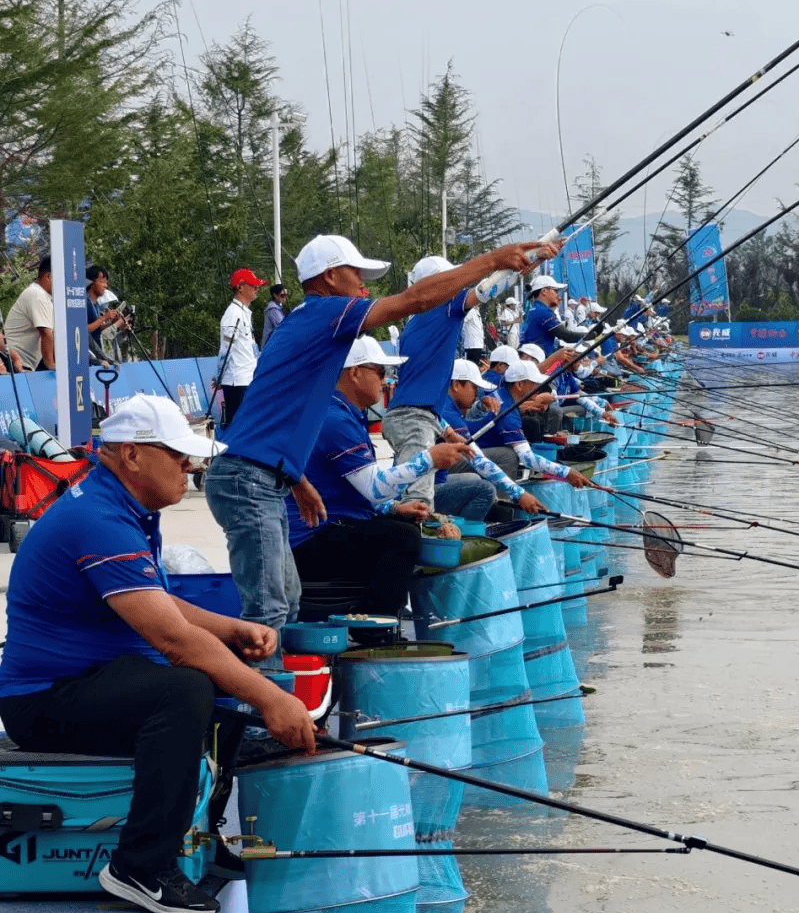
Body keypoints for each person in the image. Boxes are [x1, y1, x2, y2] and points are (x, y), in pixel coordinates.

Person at [0, 394, 314, 913]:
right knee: (189, 685)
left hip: (95, 678)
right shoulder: (99, 518)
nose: (190, 465)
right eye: (178, 454)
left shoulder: (122, 504)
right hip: (43, 701)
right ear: (131, 456)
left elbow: (155, 603)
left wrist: (232, 628)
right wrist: (272, 701)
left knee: (216, 680)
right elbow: (173, 640)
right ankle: (140, 868)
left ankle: (202, 833)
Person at [204, 233, 555, 646]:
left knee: (287, 602)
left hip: (262, 477)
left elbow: (267, 418)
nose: (363, 285)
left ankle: (297, 686)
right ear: (331, 277)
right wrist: (494, 257)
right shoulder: (326, 312)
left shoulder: (308, 327)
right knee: (269, 610)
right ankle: (275, 700)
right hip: (248, 481)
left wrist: (296, 479)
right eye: (356, 274)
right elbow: (415, 300)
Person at [288, 336, 465, 616]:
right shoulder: (335, 419)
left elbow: (359, 489)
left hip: (334, 525)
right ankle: (377, 626)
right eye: (381, 372)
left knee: (401, 523)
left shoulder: (344, 412)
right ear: (355, 373)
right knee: (402, 537)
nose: (386, 380)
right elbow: (374, 488)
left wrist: (395, 507)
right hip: (311, 538)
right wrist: (430, 459)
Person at [383, 252, 540, 509]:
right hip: (415, 419)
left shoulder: (417, 323)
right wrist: (523, 260)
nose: (456, 284)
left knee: (413, 494)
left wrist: (444, 429)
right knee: (418, 504)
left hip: (420, 416)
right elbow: (485, 289)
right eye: (449, 280)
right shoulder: (443, 309)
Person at [439, 358, 550, 515]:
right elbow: (477, 459)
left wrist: (481, 404)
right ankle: (487, 519)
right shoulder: (447, 413)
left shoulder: (447, 404)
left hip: (440, 470)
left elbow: (471, 415)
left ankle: (499, 504)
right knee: (481, 485)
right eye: (474, 387)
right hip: (430, 484)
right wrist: (519, 494)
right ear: (456, 385)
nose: (477, 393)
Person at [475, 358, 592, 489]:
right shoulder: (506, 411)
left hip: (481, 449)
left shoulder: (502, 396)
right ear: (519, 384)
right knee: (510, 456)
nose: (538, 388)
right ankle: (502, 499)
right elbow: (528, 459)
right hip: (473, 455)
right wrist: (567, 472)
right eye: (534, 384)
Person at [218, 269, 267, 426]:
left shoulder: (244, 312)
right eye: (253, 285)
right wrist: (219, 375)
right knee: (236, 425)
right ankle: (231, 451)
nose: (257, 288)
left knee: (246, 425)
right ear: (240, 287)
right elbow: (226, 350)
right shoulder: (233, 314)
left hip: (247, 378)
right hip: (236, 381)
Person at [519, 274, 590, 359]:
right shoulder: (543, 311)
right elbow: (567, 336)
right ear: (544, 291)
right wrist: (590, 335)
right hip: (536, 359)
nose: (558, 295)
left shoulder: (536, 308)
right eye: (555, 291)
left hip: (532, 356)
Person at [5, 256, 54, 371]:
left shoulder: (45, 297)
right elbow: (46, 333)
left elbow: (53, 336)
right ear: (48, 276)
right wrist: (52, 365)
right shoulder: (37, 295)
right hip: (15, 366)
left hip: (27, 366)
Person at [86, 264, 124, 364]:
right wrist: (104, 318)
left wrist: (111, 322)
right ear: (91, 282)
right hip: (87, 354)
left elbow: (96, 329)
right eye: (102, 281)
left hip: (96, 351)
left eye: (106, 282)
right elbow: (84, 330)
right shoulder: (84, 302)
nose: (105, 286)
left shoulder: (96, 304)